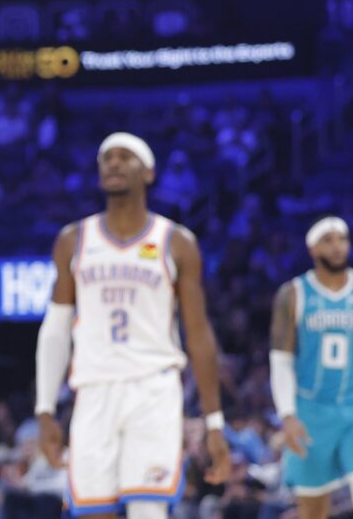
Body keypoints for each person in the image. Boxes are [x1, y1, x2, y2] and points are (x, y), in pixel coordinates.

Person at [34, 133, 231, 518]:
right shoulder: (73, 240)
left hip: (153, 388)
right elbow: (55, 330)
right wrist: (44, 410)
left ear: (150, 173)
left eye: (126, 157)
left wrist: (214, 421)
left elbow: (199, 333)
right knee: (92, 513)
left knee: (148, 510)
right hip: (93, 389)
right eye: (107, 157)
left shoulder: (176, 242)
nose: (114, 163)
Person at [270, 216, 353, 519]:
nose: (338, 247)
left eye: (342, 239)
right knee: (312, 510)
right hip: (311, 411)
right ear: (312, 249)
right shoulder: (293, 294)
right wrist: (287, 415)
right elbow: (280, 361)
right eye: (329, 240)